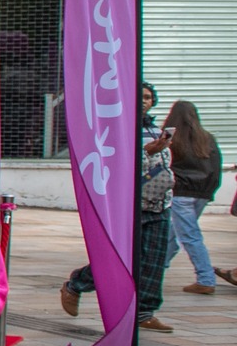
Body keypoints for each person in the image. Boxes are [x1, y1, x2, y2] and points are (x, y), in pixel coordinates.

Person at [62, 82, 174, 331]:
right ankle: (77, 283)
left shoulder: (156, 130)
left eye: (148, 97)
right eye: (140, 97)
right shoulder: (119, 128)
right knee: (120, 259)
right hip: (129, 205)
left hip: (159, 204)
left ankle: (145, 311)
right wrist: (146, 153)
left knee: (153, 260)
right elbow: (116, 162)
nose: (145, 101)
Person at [161, 100, 224, 295]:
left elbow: (163, 165)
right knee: (174, 234)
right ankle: (153, 270)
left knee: (189, 236)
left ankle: (205, 278)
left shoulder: (170, 138)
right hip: (201, 194)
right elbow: (216, 167)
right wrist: (208, 192)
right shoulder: (207, 138)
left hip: (181, 193)